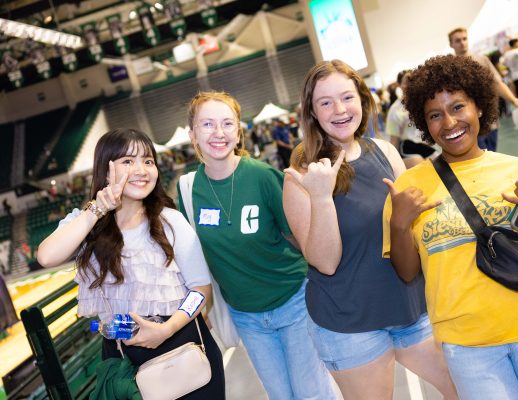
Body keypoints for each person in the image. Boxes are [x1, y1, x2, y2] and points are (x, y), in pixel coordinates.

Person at [383, 54, 518, 400]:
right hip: (469, 346)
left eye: (458, 107)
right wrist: (400, 225)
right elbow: (406, 273)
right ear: (423, 123)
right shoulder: (408, 188)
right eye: (435, 115)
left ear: (479, 106)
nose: (449, 123)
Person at [283, 59, 457, 400]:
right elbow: (325, 262)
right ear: (312, 112)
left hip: (410, 310)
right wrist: (320, 197)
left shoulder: (386, 153)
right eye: (325, 102)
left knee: (463, 387)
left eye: (347, 97)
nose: (339, 109)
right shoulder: (302, 174)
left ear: (362, 99)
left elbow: (408, 231)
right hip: (350, 324)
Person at [37, 128, 225, 399]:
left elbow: (200, 292)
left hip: (183, 348)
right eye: (128, 161)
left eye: (148, 161)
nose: (141, 169)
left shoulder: (170, 221)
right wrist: (98, 210)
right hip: (124, 360)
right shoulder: (86, 223)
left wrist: (166, 329)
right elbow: (46, 256)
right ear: (105, 170)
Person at [181, 91, 335, 400]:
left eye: (227, 123)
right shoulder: (188, 190)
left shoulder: (263, 177)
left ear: (238, 131)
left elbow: (300, 239)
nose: (219, 132)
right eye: (208, 124)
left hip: (293, 302)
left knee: (311, 393)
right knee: (280, 396)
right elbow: (191, 259)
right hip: (247, 316)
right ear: (192, 134)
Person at [448, 27, 518, 151]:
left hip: (490, 118)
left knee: (492, 153)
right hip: (468, 122)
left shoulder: (482, 60)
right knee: (480, 156)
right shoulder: (450, 68)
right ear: (451, 44)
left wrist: (514, 100)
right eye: (457, 40)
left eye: (464, 39)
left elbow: (497, 83)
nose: (462, 43)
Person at [386, 70, 438, 168]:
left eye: (413, 80)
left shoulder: (423, 103)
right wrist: (393, 163)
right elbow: (394, 139)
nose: (410, 84)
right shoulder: (395, 110)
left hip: (426, 146)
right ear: (399, 85)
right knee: (422, 166)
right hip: (408, 147)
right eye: (407, 81)